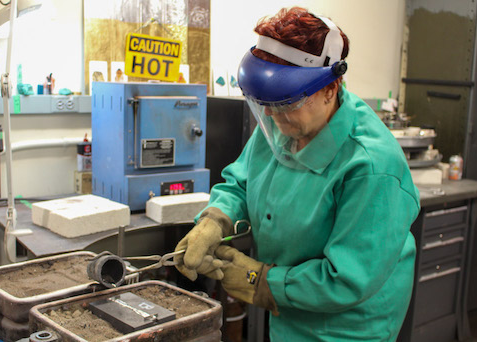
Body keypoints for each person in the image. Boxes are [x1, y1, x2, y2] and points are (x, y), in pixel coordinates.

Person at [175, 7, 420, 341]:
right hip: (290, 313)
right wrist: (216, 219)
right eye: (267, 105)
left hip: (345, 328)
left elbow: (347, 279)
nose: (275, 117)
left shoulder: (371, 167)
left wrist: (259, 281)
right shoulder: (281, 124)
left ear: (330, 89)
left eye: (286, 104)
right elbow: (240, 181)